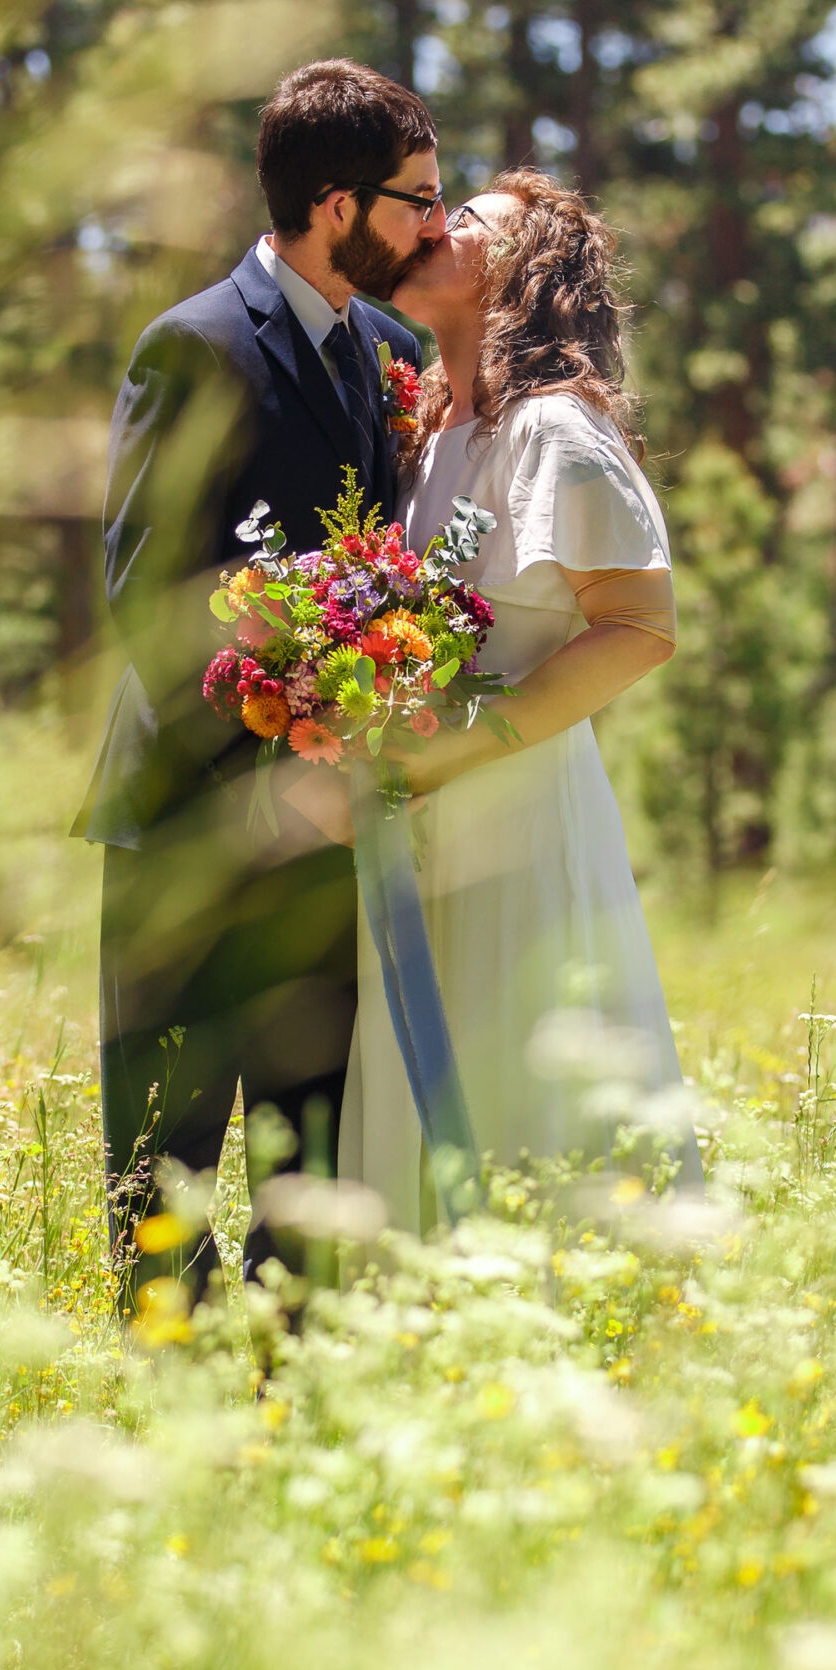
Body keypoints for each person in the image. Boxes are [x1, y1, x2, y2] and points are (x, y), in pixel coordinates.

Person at [75, 59, 441, 1318]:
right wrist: (289, 720)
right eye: (416, 199)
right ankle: (168, 1362)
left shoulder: (394, 351)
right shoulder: (195, 344)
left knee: (316, 1127)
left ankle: (292, 1366)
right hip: (190, 801)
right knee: (166, 1131)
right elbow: (147, 589)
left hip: (333, 824)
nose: (433, 227)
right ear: (338, 205)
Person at [329, 167, 704, 1227]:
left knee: (518, 1085)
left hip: (520, 813)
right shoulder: (433, 433)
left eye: (474, 222)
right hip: (418, 820)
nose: (436, 226)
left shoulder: (553, 429)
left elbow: (640, 628)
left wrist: (465, 744)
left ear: (527, 273)